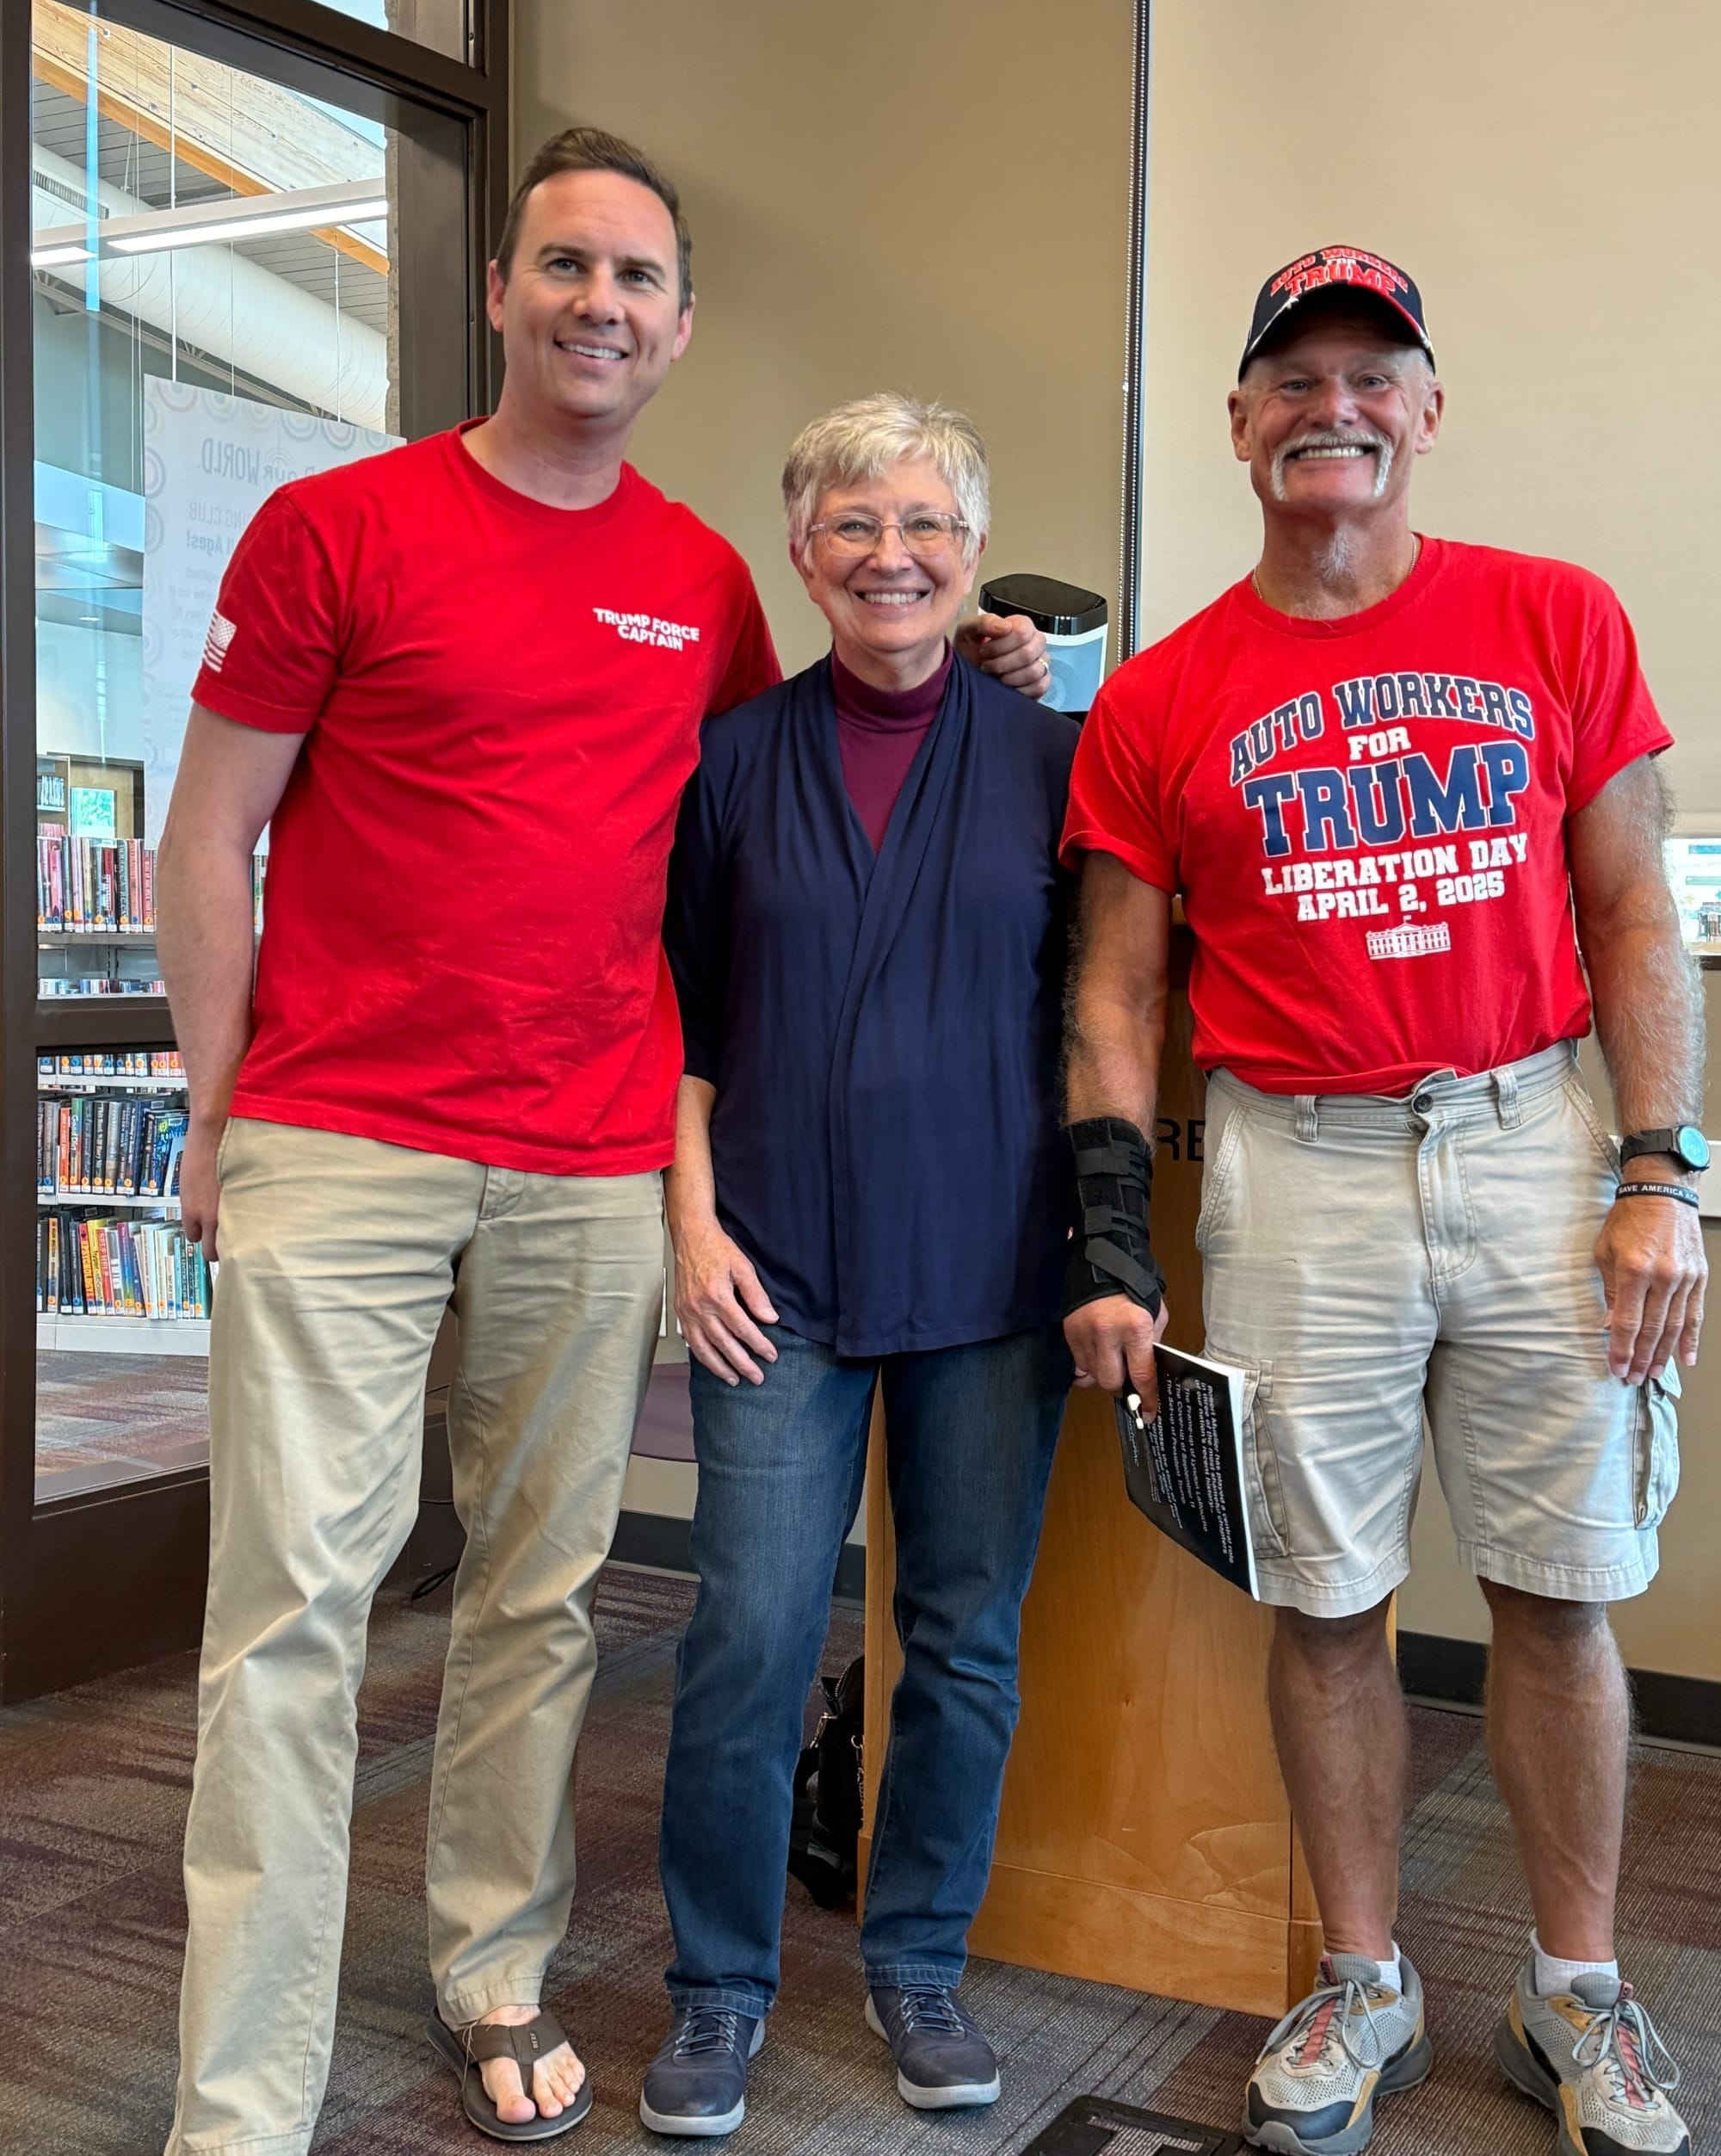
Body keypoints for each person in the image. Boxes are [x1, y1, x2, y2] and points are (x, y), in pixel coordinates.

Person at [154, 130, 1046, 2153]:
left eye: (637, 278)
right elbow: (209, 827)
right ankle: (243, 2093)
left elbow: (782, 795)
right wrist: (215, 1108)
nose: (598, 305)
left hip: (589, 1160)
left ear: (680, 325)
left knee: (539, 1603)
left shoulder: (701, 583)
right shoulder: (337, 525)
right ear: (500, 290)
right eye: (564, 265)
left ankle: (493, 1967)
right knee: (290, 1619)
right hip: (346, 1135)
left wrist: (980, 661)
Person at [1060, 246, 1703, 2156]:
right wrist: (1111, 1231)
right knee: (1327, 1595)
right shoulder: (1163, 695)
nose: (1329, 407)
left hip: (1534, 1139)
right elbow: (1115, 991)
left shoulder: (1554, 617)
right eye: (1293, 378)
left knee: (1560, 1590)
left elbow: (1630, 914)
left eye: (1369, 375)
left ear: (1424, 411)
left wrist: (1662, 1172)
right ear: (1239, 422)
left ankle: (1575, 1989)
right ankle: (1364, 1976)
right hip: (1298, 1164)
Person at [634, 392, 1078, 2139]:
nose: (891, 555)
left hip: (989, 1267)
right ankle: (717, 1984)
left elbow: (1106, 1007)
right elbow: (680, 1026)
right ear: (801, 554)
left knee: (961, 1637)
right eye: (853, 524)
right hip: (773, 1271)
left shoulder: (1050, 759)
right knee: (747, 1632)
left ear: (974, 550)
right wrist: (689, 1227)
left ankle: (918, 1958)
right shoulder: (732, 760)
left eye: (924, 524)